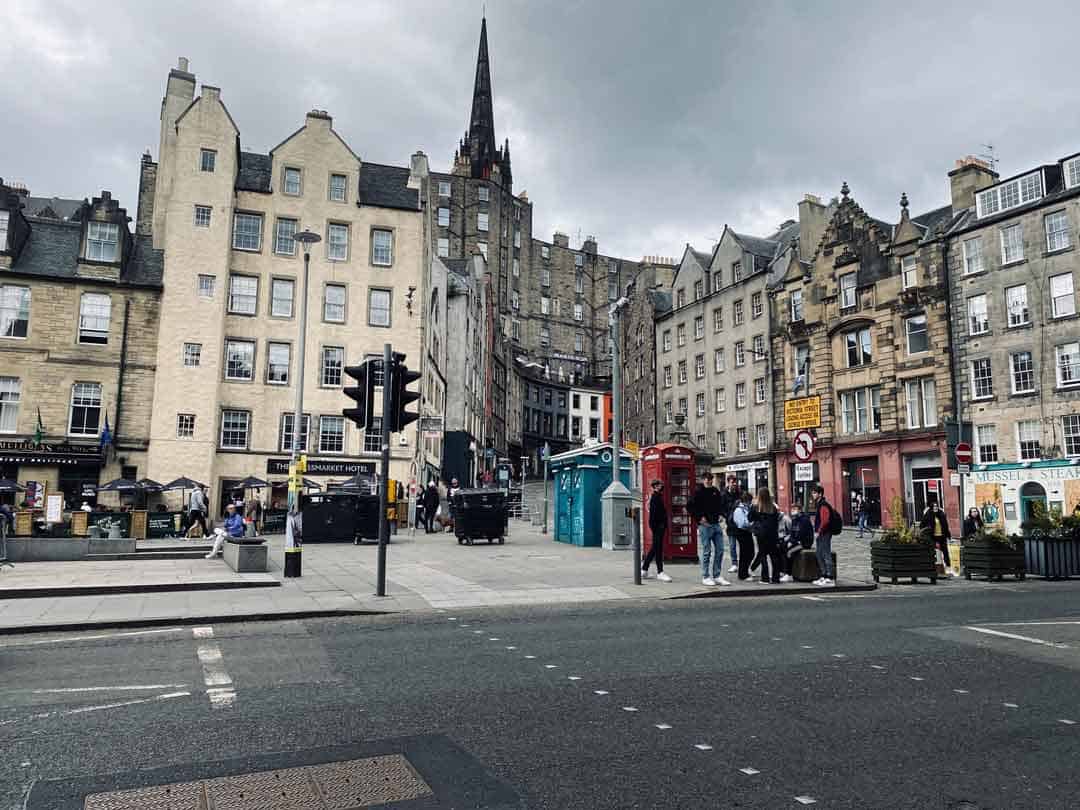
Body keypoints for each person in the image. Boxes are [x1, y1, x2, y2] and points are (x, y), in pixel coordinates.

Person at [689, 471, 728, 586]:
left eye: (710, 479)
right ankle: (705, 576)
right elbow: (690, 506)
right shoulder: (698, 492)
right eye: (706, 479)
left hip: (716, 524)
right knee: (707, 551)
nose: (708, 480)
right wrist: (699, 518)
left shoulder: (715, 491)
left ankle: (717, 575)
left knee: (720, 550)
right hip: (705, 526)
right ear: (702, 480)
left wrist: (721, 514)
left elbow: (721, 505)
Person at [749, 488, 783, 584]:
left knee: (763, 555)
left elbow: (750, 517)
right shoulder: (773, 507)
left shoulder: (756, 507)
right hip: (772, 534)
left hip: (761, 534)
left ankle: (765, 578)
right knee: (774, 556)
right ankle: (776, 578)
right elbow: (777, 520)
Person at [642, 479, 672, 582]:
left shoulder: (658, 496)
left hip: (659, 527)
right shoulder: (655, 497)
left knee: (656, 549)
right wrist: (657, 527)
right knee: (656, 549)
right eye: (659, 485)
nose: (661, 486)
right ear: (655, 486)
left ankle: (645, 570)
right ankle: (659, 572)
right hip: (658, 527)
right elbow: (653, 515)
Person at [920, 497, 958, 577]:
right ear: (931, 507)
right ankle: (936, 569)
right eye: (934, 507)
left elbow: (945, 525)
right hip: (933, 537)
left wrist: (948, 535)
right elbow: (922, 525)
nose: (935, 508)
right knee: (935, 553)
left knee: (945, 552)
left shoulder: (941, 514)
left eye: (936, 506)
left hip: (942, 536)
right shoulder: (928, 515)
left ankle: (948, 568)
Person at [810, 485, 838, 586]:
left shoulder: (823, 505)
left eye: (814, 493)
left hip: (825, 533)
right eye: (812, 493)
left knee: (826, 554)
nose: (813, 495)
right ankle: (824, 575)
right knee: (819, 554)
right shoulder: (819, 504)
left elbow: (825, 520)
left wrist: (819, 531)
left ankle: (830, 577)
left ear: (820, 494)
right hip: (821, 533)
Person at [730, 491, 756, 581]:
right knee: (745, 554)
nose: (751, 503)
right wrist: (752, 524)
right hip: (742, 533)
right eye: (750, 501)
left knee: (751, 553)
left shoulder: (746, 508)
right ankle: (742, 574)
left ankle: (745, 571)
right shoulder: (739, 510)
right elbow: (742, 524)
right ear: (746, 501)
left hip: (747, 532)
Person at [720, 476, 742, 574]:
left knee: (743, 545)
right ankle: (734, 564)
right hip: (731, 523)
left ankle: (743, 564)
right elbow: (721, 507)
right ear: (728, 483)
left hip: (740, 523)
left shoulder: (739, 493)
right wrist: (727, 516)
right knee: (732, 545)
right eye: (732, 482)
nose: (734, 484)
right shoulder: (724, 494)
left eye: (735, 482)